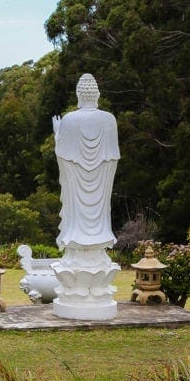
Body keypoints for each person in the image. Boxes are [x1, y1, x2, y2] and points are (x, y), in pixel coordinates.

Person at [53, 74, 120, 252]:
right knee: (101, 195)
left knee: (73, 195)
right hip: (100, 194)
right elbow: (112, 161)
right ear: (97, 96)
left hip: (76, 194)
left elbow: (63, 157)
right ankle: (98, 234)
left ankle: (76, 234)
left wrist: (58, 136)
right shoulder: (109, 119)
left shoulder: (69, 120)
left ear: (79, 95)